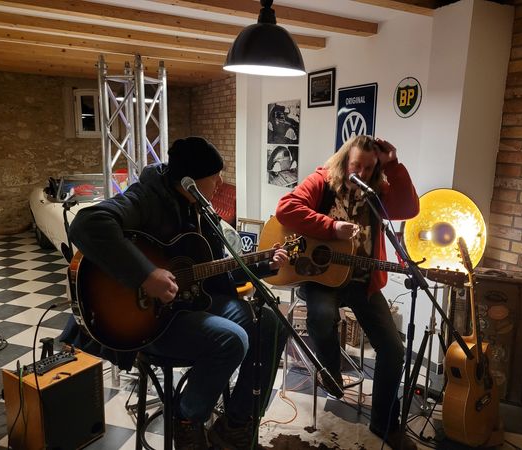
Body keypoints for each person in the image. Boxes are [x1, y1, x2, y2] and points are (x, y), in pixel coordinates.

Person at [64, 136, 289, 450]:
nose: (221, 183)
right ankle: (186, 419)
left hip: (189, 304)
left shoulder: (201, 209)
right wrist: (146, 275)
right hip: (148, 318)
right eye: (215, 176)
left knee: (272, 324)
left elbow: (213, 272)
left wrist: (264, 265)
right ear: (189, 181)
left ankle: (237, 423)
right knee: (232, 339)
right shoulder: (148, 197)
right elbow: (87, 225)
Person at [275, 134, 420, 450]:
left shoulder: (377, 192)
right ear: (344, 161)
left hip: (363, 282)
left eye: (370, 168)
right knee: (321, 316)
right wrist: (331, 227)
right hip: (322, 278)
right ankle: (331, 371)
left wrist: (393, 165)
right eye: (357, 166)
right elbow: (286, 208)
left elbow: (409, 208)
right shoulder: (322, 181)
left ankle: (385, 423)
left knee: (394, 350)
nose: (362, 173)